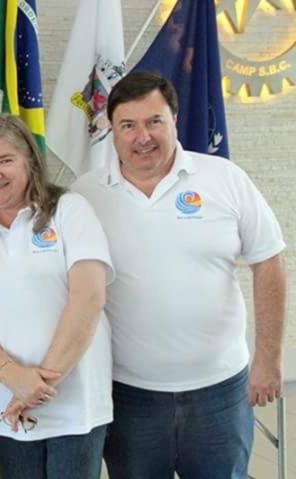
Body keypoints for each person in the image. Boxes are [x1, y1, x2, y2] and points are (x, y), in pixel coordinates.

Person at [71, 71, 287, 479]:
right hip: (130, 396)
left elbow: (269, 261)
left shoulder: (224, 178)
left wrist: (269, 358)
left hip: (220, 392)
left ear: (174, 119)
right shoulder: (84, 195)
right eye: (128, 125)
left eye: (154, 121)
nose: (142, 137)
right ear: (111, 129)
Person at [0, 113, 115, 478]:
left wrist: (36, 388)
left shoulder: (69, 210)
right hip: (7, 404)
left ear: (30, 162)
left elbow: (89, 299)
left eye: (5, 160)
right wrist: (13, 377)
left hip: (74, 405)